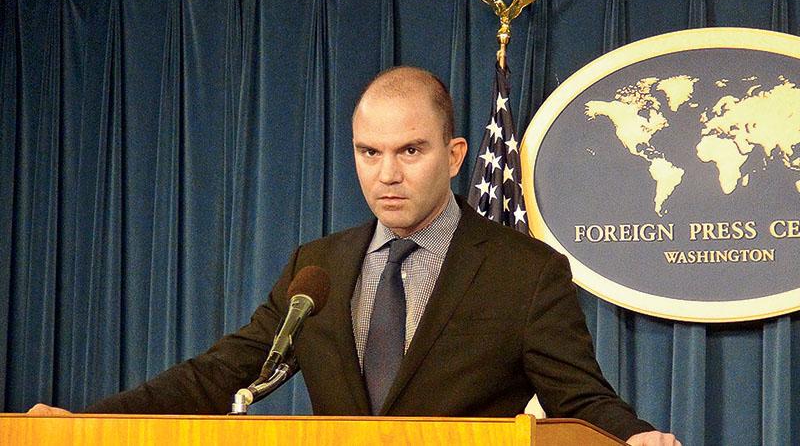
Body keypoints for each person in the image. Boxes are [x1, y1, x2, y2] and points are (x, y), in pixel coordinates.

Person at [30, 66, 679, 445]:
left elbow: (580, 398)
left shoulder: (525, 272)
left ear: (455, 155)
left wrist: (635, 434)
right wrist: (88, 421)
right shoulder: (317, 269)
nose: (387, 174)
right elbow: (221, 372)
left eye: (410, 151)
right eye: (370, 152)